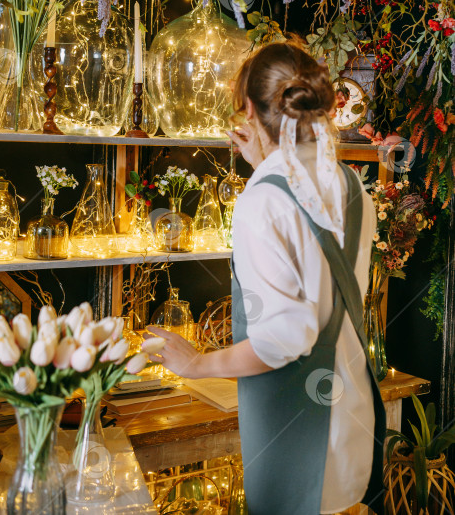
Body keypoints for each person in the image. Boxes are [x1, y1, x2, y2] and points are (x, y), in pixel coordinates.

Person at [146, 39, 386, 515]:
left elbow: (284, 337)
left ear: (251, 111)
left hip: (300, 441)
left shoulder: (262, 201)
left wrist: (196, 365)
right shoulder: (352, 184)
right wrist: (266, 165)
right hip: (353, 424)